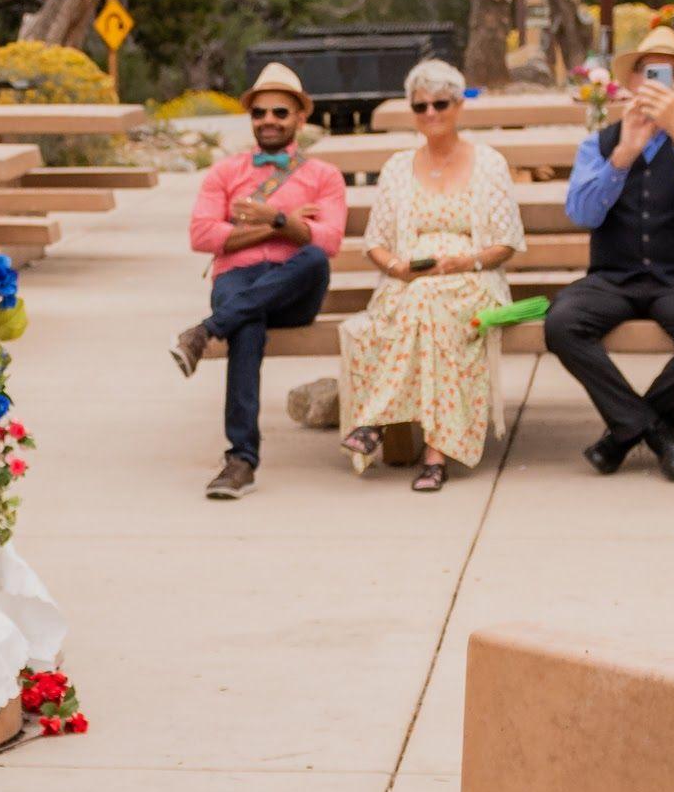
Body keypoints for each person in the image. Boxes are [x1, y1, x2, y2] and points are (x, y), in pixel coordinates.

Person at [544, 28, 674, 479]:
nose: (654, 84)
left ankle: (625, 432)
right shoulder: (599, 143)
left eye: (668, 75)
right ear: (630, 83)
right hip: (613, 276)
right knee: (561, 324)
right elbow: (582, 213)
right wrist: (624, 155)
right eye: (647, 73)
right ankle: (655, 428)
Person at [330, 63, 525, 493]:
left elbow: (506, 243)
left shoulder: (488, 163)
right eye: (421, 106)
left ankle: (374, 421)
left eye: (440, 103)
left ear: (458, 105)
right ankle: (435, 455)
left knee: (428, 303)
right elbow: (376, 242)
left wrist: (464, 262)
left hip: (474, 279)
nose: (431, 113)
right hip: (406, 283)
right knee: (423, 303)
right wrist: (397, 268)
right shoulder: (398, 167)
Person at [168, 63, 347, 499]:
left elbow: (327, 240)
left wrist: (270, 216)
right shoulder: (226, 173)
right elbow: (201, 234)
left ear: (300, 119)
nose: (269, 120)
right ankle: (240, 461)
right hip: (239, 278)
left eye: (280, 112)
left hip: (296, 287)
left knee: (313, 260)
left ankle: (206, 331)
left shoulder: (324, 176)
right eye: (260, 112)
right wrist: (279, 227)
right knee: (247, 323)